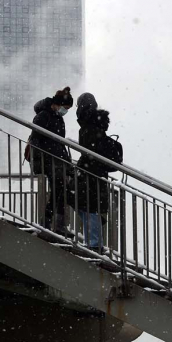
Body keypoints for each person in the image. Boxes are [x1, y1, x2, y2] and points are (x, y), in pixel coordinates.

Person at [74, 106, 121, 252]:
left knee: (87, 208)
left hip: (89, 176)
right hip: (96, 178)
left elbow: (89, 152)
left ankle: (94, 244)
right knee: (89, 208)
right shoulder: (100, 135)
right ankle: (94, 242)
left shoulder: (88, 132)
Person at [30, 87, 74, 232]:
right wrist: (39, 160)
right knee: (59, 187)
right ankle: (50, 222)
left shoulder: (58, 118)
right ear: (57, 104)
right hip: (47, 159)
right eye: (64, 108)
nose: (65, 111)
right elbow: (35, 139)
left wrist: (67, 162)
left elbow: (60, 143)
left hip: (57, 159)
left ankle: (54, 223)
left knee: (62, 189)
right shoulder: (43, 115)